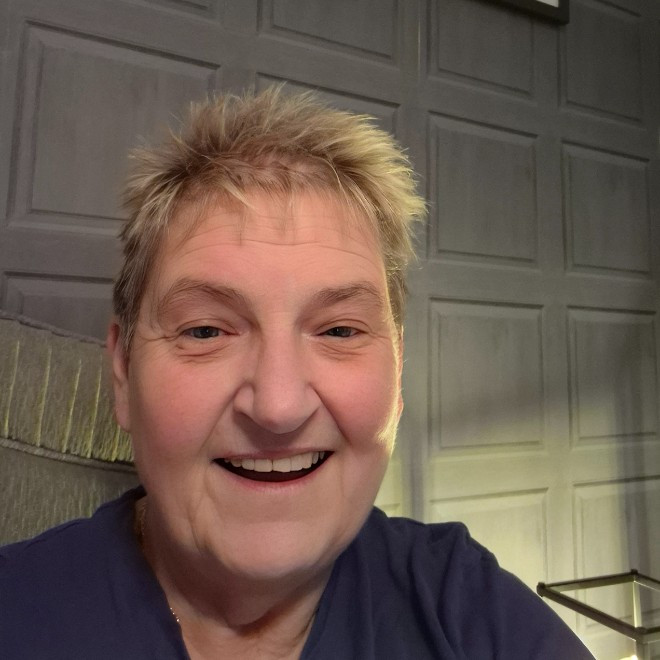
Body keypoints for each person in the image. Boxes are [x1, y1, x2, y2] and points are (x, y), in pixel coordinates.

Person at [0, 87, 594, 659]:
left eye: (340, 331)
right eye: (205, 331)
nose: (278, 406)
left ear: (398, 373)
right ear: (123, 374)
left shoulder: (472, 614)